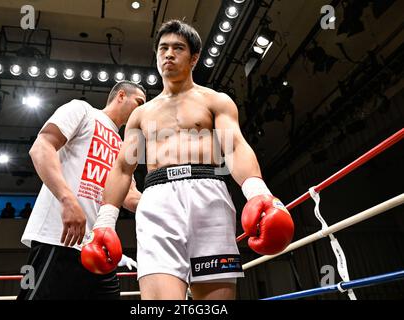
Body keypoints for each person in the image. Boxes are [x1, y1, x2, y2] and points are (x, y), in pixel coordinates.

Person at [95, 20, 294, 300]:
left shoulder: (216, 101)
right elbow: (123, 168)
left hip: (208, 195)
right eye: (163, 48)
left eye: (178, 48)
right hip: (157, 201)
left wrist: (258, 194)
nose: (168, 54)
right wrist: (104, 221)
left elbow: (234, 147)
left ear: (194, 57)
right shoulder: (141, 115)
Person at [18, 80, 146, 300]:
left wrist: (171, 206)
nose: (143, 109)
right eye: (140, 102)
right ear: (121, 95)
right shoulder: (83, 111)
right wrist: (67, 199)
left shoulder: (124, 146)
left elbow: (130, 196)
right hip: (58, 239)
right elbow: (41, 147)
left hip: (99, 249)